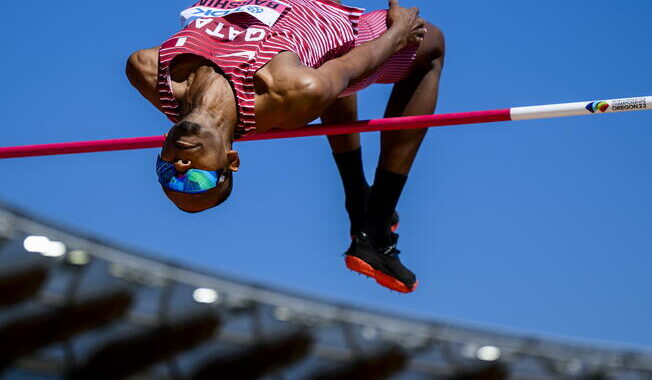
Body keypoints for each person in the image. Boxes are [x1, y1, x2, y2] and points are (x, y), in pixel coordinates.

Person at [126, 0, 445, 293]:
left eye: (168, 174)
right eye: (197, 181)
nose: (181, 168)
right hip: (326, 23)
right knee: (430, 44)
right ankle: (376, 223)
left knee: (321, 87)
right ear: (231, 159)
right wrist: (399, 34)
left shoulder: (148, 70)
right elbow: (346, 70)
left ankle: (357, 199)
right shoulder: (285, 90)